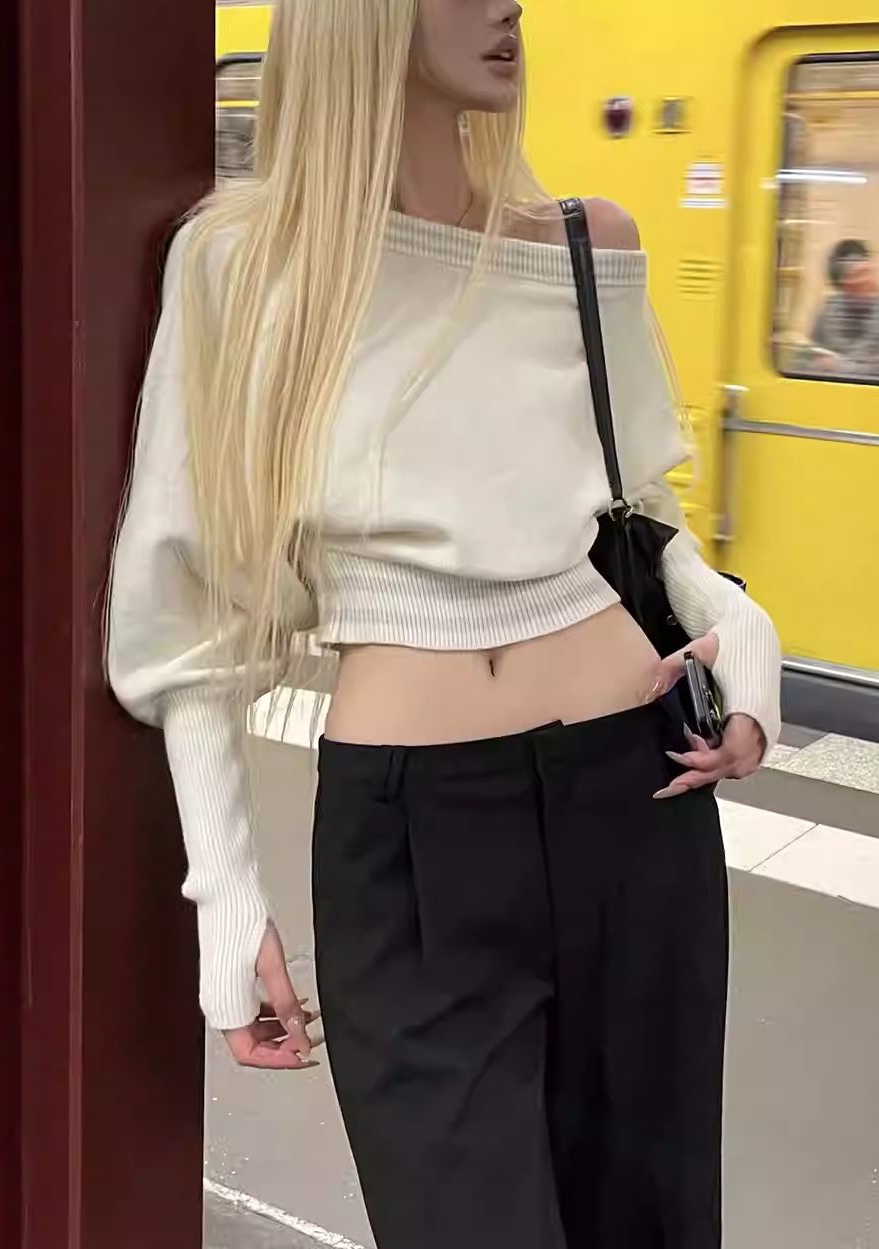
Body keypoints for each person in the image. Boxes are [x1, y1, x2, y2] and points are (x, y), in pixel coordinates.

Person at [106, 1, 782, 1245]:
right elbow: (186, 609)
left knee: (652, 1221)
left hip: (636, 801)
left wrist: (737, 626)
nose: (506, 5)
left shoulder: (584, 245)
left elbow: (642, 512)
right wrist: (225, 894)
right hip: (410, 831)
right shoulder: (241, 265)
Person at [809, 237, 879, 376]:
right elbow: (811, 359)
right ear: (845, 283)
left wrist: (838, 365)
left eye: (867, 272)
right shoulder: (828, 311)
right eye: (857, 275)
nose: (868, 280)